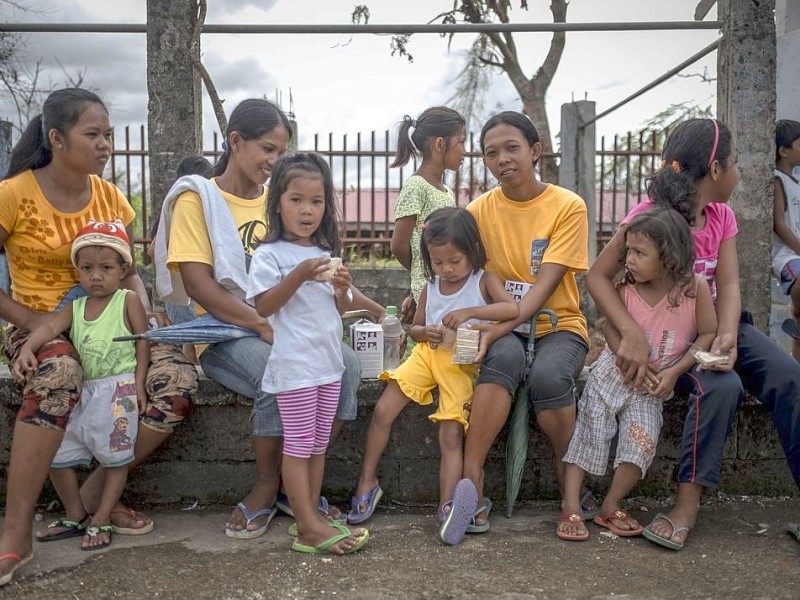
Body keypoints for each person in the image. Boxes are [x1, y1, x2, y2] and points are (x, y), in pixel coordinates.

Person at [156, 98, 383, 540]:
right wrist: (260, 325)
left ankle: (295, 483)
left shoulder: (281, 201)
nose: (273, 161)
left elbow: (321, 283)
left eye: (281, 151)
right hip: (226, 331)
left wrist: (365, 305)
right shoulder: (198, 199)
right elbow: (201, 285)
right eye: (267, 148)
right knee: (271, 373)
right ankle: (268, 484)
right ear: (235, 142)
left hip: (287, 328)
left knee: (349, 366)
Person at [0, 88, 197, 587]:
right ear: (57, 139)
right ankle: (16, 532)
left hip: (113, 321)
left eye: (108, 134)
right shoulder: (14, 194)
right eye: (94, 135)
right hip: (37, 326)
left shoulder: (109, 197)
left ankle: (91, 498)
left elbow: (129, 272)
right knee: (59, 369)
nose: (106, 144)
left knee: (178, 375)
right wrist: (29, 322)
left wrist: (143, 319)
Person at [587, 117, 800, 550]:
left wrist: (725, 334)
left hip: (715, 327)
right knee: (722, 387)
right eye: (736, 163)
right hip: (663, 337)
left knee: (788, 375)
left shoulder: (721, 217)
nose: (739, 173)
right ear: (717, 170)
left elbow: (732, 284)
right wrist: (628, 331)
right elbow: (597, 277)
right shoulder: (647, 219)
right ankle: (687, 504)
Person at [348, 207, 518, 545]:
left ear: (472, 250)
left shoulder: (483, 280)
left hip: (461, 363)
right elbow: (417, 330)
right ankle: (367, 481)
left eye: (455, 261)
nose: (447, 270)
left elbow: (512, 310)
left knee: (450, 436)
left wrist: (469, 311)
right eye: (438, 263)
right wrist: (426, 332)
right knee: (382, 411)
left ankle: (447, 506)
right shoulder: (432, 283)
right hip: (428, 357)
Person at [460, 111, 590, 536]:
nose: (502, 160)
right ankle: (471, 481)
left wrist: (498, 325)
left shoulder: (568, 206)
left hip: (559, 323)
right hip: (503, 321)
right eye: (491, 153)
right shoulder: (477, 212)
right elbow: (481, 274)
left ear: (535, 151)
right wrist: (497, 326)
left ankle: (569, 493)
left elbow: (546, 282)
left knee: (551, 379)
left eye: (512, 148)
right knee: (498, 364)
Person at [557, 207, 716, 541]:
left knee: (641, 443)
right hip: (611, 377)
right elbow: (607, 327)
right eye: (628, 250)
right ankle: (570, 503)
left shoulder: (694, 290)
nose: (628, 259)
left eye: (639, 253)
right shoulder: (626, 289)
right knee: (589, 433)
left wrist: (675, 372)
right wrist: (619, 356)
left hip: (653, 386)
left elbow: (707, 334)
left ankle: (610, 504)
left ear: (669, 257)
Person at [247, 151, 368, 554]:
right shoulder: (271, 255)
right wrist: (299, 275)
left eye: (316, 201)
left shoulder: (324, 249)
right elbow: (263, 306)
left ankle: (311, 517)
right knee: (298, 448)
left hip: (328, 366)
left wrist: (341, 289)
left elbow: (339, 307)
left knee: (317, 446)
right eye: (296, 199)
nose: (307, 210)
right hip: (296, 368)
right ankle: (307, 525)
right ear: (277, 202)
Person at [11, 221, 150, 551]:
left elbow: (143, 343)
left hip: (118, 393)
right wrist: (29, 347)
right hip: (84, 392)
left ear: (122, 269)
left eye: (105, 268)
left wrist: (140, 383)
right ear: (78, 271)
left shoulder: (127, 300)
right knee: (58, 455)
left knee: (116, 459)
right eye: (87, 268)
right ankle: (75, 514)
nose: (96, 276)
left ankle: (101, 517)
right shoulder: (75, 307)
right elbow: (49, 327)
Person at [390, 107, 466, 323]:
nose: (464, 150)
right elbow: (398, 245)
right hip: (431, 286)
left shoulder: (446, 192)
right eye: (461, 141)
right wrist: (421, 274)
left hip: (446, 283)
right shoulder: (416, 186)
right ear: (440, 144)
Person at [148, 155, 214, 364]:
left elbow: (152, 251)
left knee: (190, 342)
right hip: (190, 289)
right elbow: (153, 248)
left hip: (180, 289)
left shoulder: (173, 204)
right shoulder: (186, 205)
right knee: (192, 344)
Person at [771, 119, 800, 360]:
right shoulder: (777, 179)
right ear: (784, 150)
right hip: (787, 256)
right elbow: (779, 224)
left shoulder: (795, 183)